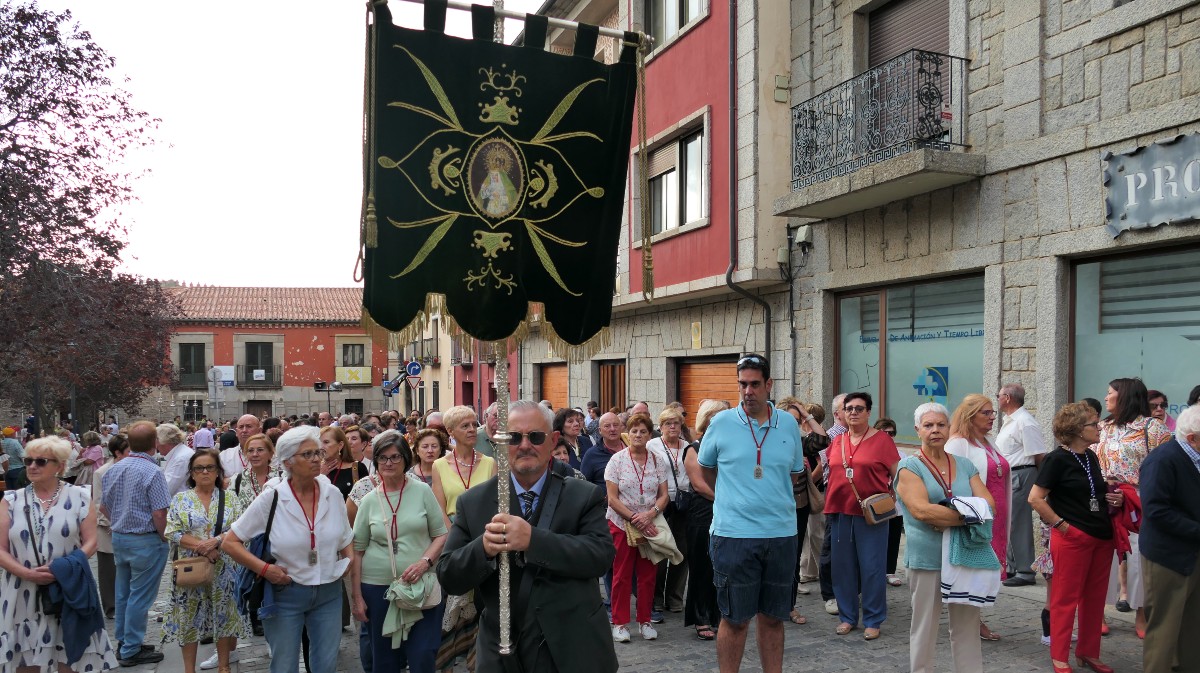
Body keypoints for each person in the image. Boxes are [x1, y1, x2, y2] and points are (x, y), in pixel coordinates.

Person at [437, 400, 619, 673]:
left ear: (553, 440)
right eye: (513, 437)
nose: (524, 445)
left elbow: (601, 556)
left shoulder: (583, 495)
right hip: (504, 651)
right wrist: (483, 548)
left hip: (573, 647)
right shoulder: (474, 502)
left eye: (535, 436)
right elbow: (448, 575)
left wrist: (534, 541)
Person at [696, 354, 805, 673]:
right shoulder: (721, 423)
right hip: (733, 536)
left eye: (755, 384)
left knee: (773, 618)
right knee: (735, 619)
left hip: (781, 534)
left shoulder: (788, 423)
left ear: (769, 384)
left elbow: (793, 474)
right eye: (742, 384)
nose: (748, 391)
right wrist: (734, 498)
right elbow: (707, 471)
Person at [221, 426, 355, 673]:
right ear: (287, 462)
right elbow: (230, 542)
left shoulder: (332, 494)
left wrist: (348, 559)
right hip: (285, 592)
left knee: (326, 665)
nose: (316, 459)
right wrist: (265, 569)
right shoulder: (272, 497)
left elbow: (345, 535)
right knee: (284, 665)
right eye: (307, 454)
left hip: (329, 591)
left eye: (318, 453)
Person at [0, 436, 118, 671]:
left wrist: (63, 568)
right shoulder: (11, 500)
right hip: (20, 590)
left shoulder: (80, 496)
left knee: (69, 656)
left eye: (41, 461)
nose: (32, 466)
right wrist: (26, 573)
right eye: (28, 461)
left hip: (67, 586)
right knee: (24, 659)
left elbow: (91, 541)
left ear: (60, 466)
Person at [895, 403, 995, 673]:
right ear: (917, 430)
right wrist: (969, 516)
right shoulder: (909, 467)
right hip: (927, 557)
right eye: (928, 425)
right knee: (924, 626)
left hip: (964, 555)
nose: (935, 430)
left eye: (941, 424)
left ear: (949, 428)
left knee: (967, 627)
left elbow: (989, 505)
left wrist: (951, 518)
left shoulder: (964, 464)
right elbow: (921, 510)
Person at [1029, 401, 1120, 673]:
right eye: (1094, 424)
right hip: (1072, 538)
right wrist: (1063, 526)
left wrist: (1112, 498)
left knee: (1095, 600)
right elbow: (1035, 498)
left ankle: (1088, 653)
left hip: (1101, 537)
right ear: (1079, 429)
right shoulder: (1056, 459)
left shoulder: (1090, 456)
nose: (1099, 427)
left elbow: (1091, 493)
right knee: (1065, 599)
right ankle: (1060, 656)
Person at [350, 427, 446, 673]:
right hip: (377, 589)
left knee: (423, 654)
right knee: (385, 660)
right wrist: (357, 597)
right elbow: (357, 551)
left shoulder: (422, 491)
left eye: (395, 457)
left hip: (421, 585)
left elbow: (441, 534)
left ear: (405, 459)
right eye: (382, 457)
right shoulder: (369, 500)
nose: (388, 463)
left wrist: (425, 562)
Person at [1096, 377, 1170, 637]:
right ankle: (1097, 612)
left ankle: (1141, 613)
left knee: (1140, 557)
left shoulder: (1154, 429)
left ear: (1124, 396)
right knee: (1103, 555)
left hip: (1139, 499)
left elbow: (1165, 467)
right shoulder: (1102, 427)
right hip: (1105, 496)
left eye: (1110, 392)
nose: (1106, 397)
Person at [162, 449, 249, 673]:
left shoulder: (230, 498)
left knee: (225, 616)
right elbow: (172, 531)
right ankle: (188, 669)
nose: (204, 472)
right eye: (199, 468)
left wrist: (215, 542)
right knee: (189, 617)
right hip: (191, 568)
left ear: (218, 471)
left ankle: (224, 666)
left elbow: (239, 528)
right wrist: (203, 548)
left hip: (224, 567)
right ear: (191, 473)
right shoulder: (181, 499)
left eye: (210, 467)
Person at [823, 391, 897, 640]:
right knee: (842, 567)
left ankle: (873, 619)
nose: (853, 412)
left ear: (868, 412)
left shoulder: (882, 440)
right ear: (842, 413)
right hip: (839, 511)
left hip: (872, 514)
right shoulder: (837, 441)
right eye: (849, 408)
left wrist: (895, 498)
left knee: (872, 568)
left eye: (859, 408)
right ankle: (847, 617)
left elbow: (898, 474)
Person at [101, 420, 171, 665]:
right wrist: (164, 536)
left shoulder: (114, 468)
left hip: (121, 538)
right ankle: (131, 647)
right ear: (155, 443)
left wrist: (120, 520)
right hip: (145, 538)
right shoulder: (152, 471)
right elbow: (159, 512)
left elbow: (103, 506)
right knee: (140, 596)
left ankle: (125, 641)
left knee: (123, 593)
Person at [1140, 403, 1200, 673]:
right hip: (1167, 557)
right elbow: (1156, 510)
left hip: (1192, 551)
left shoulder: (1194, 455)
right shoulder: (1163, 459)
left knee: (1193, 625)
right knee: (1164, 628)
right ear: (1193, 438)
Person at [945, 393, 1009, 641]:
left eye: (993, 412)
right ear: (970, 416)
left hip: (997, 516)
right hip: (978, 517)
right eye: (986, 412)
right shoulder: (958, 443)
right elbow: (951, 483)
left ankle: (973, 617)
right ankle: (970, 620)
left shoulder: (988, 441)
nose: (992, 417)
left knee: (984, 568)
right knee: (974, 567)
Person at [605, 412, 669, 642]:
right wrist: (634, 517)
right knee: (621, 574)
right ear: (628, 434)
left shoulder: (657, 460)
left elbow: (664, 495)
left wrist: (651, 514)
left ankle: (645, 620)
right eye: (634, 431)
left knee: (648, 574)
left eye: (643, 431)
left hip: (649, 524)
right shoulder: (617, 460)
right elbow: (612, 498)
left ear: (650, 435)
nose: (638, 435)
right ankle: (620, 623)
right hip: (621, 523)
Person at [683, 399, 730, 641]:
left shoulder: (728, 445)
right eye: (716, 416)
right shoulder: (694, 448)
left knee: (721, 566)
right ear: (706, 418)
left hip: (726, 512)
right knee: (701, 566)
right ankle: (701, 617)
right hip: (702, 513)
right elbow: (699, 485)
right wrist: (727, 499)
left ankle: (718, 613)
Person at [994, 383, 1049, 589]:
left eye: (998, 395)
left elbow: (1039, 455)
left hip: (1021, 474)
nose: (997, 398)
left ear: (1007, 397)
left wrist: (1042, 485)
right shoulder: (1011, 421)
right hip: (1010, 475)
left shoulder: (1025, 422)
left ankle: (1025, 570)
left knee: (1019, 523)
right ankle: (1012, 566)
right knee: (1008, 522)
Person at [777, 397, 826, 624]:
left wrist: (807, 415)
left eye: (796, 421)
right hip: (773, 506)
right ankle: (768, 604)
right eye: (790, 419)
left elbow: (822, 439)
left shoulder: (800, 441)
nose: (793, 424)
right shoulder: (766, 441)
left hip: (798, 505)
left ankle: (789, 605)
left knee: (793, 556)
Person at [647, 405, 689, 618]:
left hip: (684, 503)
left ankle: (675, 597)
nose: (672, 427)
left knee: (682, 550)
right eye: (668, 423)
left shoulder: (687, 446)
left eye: (676, 423)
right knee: (661, 548)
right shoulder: (652, 445)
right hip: (661, 501)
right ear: (661, 426)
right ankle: (655, 598)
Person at [432, 406, 497, 522]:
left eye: (474, 425)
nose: (472, 429)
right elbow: (439, 510)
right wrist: (453, 532)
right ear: (450, 431)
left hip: (484, 527)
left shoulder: (490, 463)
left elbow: (495, 505)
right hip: (452, 527)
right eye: (465, 426)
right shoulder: (439, 466)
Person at [93, 433, 129, 619]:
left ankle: (127, 604)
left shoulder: (132, 469)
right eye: (129, 451)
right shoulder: (102, 472)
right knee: (108, 571)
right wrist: (110, 523)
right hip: (107, 528)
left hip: (129, 528)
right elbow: (98, 501)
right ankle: (111, 607)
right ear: (118, 453)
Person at [819, 392, 848, 616]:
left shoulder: (859, 436)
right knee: (830, 547)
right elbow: (823, 471)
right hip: (836, 499)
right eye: (848, 408)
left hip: (855, 502)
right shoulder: (829, 437)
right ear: (837, 414)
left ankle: (849, 590)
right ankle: (829, 595)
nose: (853, 412)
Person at [872, 418, 905, 588]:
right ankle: (874, 570)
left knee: (893, 537)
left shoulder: (902, 454)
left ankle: (890, 571)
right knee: (874, 540)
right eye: (884, 432)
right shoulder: (870, 452)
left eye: (891, 433)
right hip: (875, 503)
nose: (887, 436)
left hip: (895, 503)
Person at [581, 412, 626, 489]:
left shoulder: (630, 447)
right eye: (607, 426)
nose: (612, 429)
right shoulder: (592, 455)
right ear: (600, 430)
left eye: (615, 425)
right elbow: (584, 484)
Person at [220, 415, 262, 482]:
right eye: (241, 427)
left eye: (249, 426)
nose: (244, 430)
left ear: (259, 431)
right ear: (236, 432)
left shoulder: (270, 455)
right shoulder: (224, 456)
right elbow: (219, 482)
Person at [159, 423, 196, 497]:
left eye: (156, 440)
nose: (155, 445)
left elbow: (167, 489)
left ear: (164, 441)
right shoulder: (177, 453)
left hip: (180, 501)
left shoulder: (181, 458)